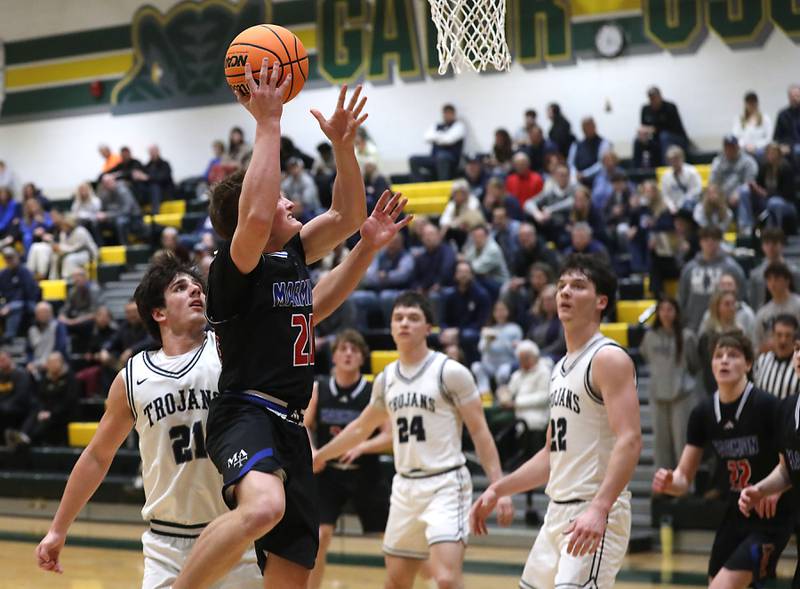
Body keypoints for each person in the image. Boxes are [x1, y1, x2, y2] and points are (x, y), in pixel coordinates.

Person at [173, 63, 411, 589]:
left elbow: (348, 217)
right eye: (280, 198)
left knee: (291, 577)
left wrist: (344, 150)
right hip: (245, 411)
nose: (289, 201)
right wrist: (268, 121)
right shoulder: (232, 268)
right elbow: (256, 216)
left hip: (290, 424)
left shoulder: (292, 256)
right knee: (263, 508)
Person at [35, 255, 263, 587]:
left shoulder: (228, 349)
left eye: (198, 287)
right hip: (166, 544)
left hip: (232, 532)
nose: (196, 291)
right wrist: (58, 529)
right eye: (181, 288)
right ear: (159, 312)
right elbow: (97, 456)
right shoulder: (133, 377)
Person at [312, 291, 514, 589]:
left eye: (413, 318)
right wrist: (322, 455)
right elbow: (359, 429)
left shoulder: (450, 372)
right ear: (391, 327)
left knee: (445, 578)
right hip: (405, 486)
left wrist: (499, 488)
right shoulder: (385, 378)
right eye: (398, 318)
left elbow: (480, 431)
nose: (404, 323)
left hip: (445, 484)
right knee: (396, 581)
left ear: (428, 328)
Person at [470, 253, 642, 589]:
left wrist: (600, 508)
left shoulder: (607, 358)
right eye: (561, 285)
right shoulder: (560, 368)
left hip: (593, 510)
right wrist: (498, 487)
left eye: (578, 286)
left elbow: (630, 440)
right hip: (557, 513)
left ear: (600, 301)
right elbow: (551, 454)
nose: (564, 292)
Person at [652, 330, 793, 589]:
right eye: (719, 355)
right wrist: (671, 481)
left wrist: (775, 489)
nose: (724, 360)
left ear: (748, 364)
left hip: (771, 516)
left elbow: (792, 462)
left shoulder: (768, 406)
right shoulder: (702, 413)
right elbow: (684, 479)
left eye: (733, 355)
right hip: (735, 514)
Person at [304, 329, 392, 589]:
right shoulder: (319, 388)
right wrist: (311, 451)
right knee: (320, 536)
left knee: (392, 540)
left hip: (366, 472)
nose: (348, 353)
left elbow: (389, 437)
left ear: (362, 358)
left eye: (354, 349)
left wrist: (363, 446)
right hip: (328, 474)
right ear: (334, 357)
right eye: (343, 349)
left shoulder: (372, 391)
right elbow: (304, 425)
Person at [738, 331, 800, 587]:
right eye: (798, 349)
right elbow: (787, 468)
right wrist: (761, 490)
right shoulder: (787, 407)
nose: (799, 355)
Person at [640, 298, 698, 469]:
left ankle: (685, 487)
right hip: (658, 395)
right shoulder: (649, 336)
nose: (666, 313)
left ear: (676, 312)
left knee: (682, 442)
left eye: (670, 309)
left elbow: (694, 364)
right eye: (662, 309)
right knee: (660, 444)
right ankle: (662, 488)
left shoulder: (686, 337)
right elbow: (646, 357)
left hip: (681, 395)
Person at [678, 225, 745, 332]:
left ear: (720, 242)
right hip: (692, 326)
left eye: (714, 239)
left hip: (723, 328)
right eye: (705, 239)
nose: (710, 242)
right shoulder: (689, 269)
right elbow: (682, 298)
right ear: (700, 242)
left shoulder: (732, 268)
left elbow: (740, 297)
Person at [6, 351, 78, 447]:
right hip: (46, 411)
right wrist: (42, 410)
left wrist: (51, 413)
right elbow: (40, 397)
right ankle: (23, 434)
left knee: (44, 423)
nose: (51, 365)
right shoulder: (46, 377)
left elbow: (69, 401)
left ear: (61, 362)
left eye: (53, 362)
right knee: (34, 411)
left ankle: (27, 440)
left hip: (63, 413)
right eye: (49, 363)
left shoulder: (70, 377)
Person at [710, 135, 759, 235]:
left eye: (732, 146)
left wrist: (737, 193)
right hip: (722, 196)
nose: (729, 149)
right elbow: (713, 182)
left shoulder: (748, 161)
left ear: (737, 147)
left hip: (742, 196)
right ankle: (712, 231)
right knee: (709, 194)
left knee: (744, 191)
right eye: (727, 147)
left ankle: (744, 228)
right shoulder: (718, 161)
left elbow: (750, 182)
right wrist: (714, 193)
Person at [633, 86, 689, 168]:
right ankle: (637, 172)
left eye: (655, 97)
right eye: (650, 98)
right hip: (656, 139)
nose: (653, 100)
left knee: (664, 136)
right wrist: (642, 133)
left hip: (676, 138)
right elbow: (644, 126)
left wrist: (653, 129)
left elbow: (674, 127)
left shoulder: (670, 107)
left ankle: (665, 167)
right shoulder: (645, 109)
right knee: (638, 140)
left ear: (660, 96)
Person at [408, 104, 466, 182]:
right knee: (413, 159)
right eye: (445, 113)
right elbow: (427, 137)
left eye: (449, 113)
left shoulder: (459, 126)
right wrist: (443, 137)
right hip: (434, 158)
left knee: (442, 156)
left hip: (451, 160)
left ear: (453, 114)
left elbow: (449, 140)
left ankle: (443, 184)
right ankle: (419, 184)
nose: (447, 115)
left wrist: (437, 136)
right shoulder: (436, 125)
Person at [754, 261, 800, 352]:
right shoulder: (762, 313)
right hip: (770, 360)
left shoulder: (798, 305)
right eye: (769, 279)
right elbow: (756, 345)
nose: (772, 283)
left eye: (777, 279)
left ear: (787, 281)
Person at [749, 227, 800, 310]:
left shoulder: (794, 271)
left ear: (782, 245)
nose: (770, 247)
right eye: (767, 243)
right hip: (765, 317)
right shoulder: (755, 275)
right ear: (762, 246)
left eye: (774, 243)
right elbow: (754, 304)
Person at [751, 142, 797, 231]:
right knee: (749, 195)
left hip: (786, 203)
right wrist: (755, 187)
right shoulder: (765, 167)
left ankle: (776, 232)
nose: (770, 156)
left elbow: (788, 193)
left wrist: (767, 194)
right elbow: (759, 184)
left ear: (778, 154)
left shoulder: (786, 168)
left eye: (773, 153)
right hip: (766, 199)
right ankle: (749, 229)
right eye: (768, 153)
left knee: (774, 203)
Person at [754, 314, 800, 401]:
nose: (783, 340)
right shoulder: (762, 360)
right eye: (779, 335)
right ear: (772, 336)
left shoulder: (798, 363)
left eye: (788, 335)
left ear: (795, 338)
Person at [0, 247, 41, 339]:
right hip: (7, 303)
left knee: (14, 308)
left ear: (17, 257)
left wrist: (10, 306)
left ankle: (9, 337)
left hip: (27, 302)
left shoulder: (26, 272)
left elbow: (28, 293)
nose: (9, 260)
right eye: (7, 258)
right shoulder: (3, 274)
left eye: (11, 257)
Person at [567, 117, 612, 187]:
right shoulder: (576, 144)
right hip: (577, 177)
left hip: (597, 176)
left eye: (589, 126)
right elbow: (570, 163)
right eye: (584, 127)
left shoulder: (604, 143)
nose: (587, 129)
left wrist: (585, 174)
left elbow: (602, 164)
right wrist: (575, 174)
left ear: (594, 127)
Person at [660, 145, 702, 213]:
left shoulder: (691, 172)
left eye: (676, 159)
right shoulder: (666, 176)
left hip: (689, 205)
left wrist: (682, 204)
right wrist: (671, 206)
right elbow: (665, 195)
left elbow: (696, 190)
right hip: (672, 208)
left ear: (682, 158)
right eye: (671, 160)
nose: (674, 162)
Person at [732, 91, 772, 157]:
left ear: (757, 103)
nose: (751, 105)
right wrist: (745, 145)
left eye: (753, 102)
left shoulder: (765, 119)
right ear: (745, 104)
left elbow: (768, 138)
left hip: (760, 149)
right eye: (749, 102)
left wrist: (755, 146)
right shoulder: (739, 119)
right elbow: (736, 136)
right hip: (743, 149)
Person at [773, 84, 800, 165]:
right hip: (788, 147)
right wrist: (781, 146)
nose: (795, 98)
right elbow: (777, 137)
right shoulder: (782, 115)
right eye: (793, 96)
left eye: (797, 96)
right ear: (789, 97)